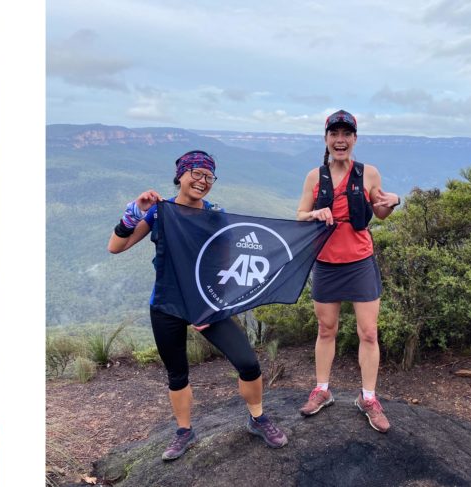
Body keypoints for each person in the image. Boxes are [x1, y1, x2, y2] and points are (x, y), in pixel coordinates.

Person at [107, 150, 288, 461]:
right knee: (177, 374)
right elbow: (116, 246)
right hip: (166, 304)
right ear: (180, 175)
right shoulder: (159, 211)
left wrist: (208, 308)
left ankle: (258, 419)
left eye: (209, 176)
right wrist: (133, 212)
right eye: (197, 173)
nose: (203, 181)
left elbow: (224, 266)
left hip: (206, 303)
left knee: (248, 363)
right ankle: (184, 432)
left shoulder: (215, 214)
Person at [295, 110, 400, 433]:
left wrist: (394, 201)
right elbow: (300, 214)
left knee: (368, 332)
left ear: (354, 139)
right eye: (334, 134)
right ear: (326, 139)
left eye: (346, 134)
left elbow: (379, 212)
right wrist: (314, 213)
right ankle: (322, 390)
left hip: (359, 261)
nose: (340, 140)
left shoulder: (368, 173)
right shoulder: (315, 176)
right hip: (326, 262)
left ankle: (368, 397)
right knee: (326, 329)